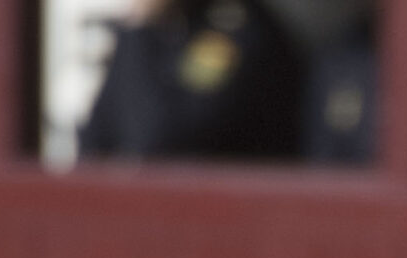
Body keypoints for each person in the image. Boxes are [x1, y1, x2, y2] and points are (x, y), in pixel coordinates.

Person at [79, 0, 308, 162]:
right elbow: (94, 138)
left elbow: (162, 141)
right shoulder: (163, 28)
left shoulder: (236, 30)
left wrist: (141, 26)